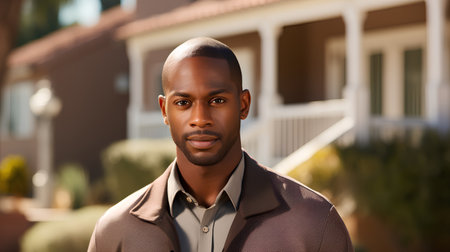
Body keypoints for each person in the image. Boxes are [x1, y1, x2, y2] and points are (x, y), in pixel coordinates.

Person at [88, 37, 353, 252]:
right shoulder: (115, 232)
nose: (200, 119)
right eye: (183, 103)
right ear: (164, 110)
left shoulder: (314, 224)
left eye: (217, 101)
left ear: (244, 104)